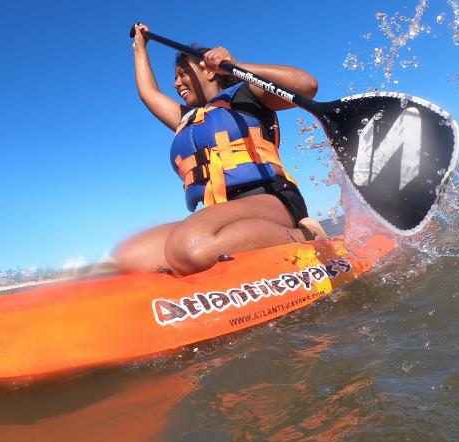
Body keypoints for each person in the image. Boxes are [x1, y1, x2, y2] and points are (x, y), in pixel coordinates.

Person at [114, 23, 327, 276]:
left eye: (183, 74)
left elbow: (307, 86)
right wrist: (140, 46)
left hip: (271, 198)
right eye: (174, 78)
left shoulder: (248, 95)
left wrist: (237, 65)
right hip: (220, 211)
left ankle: (305, 234)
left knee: (187, 248)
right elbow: (148, 93)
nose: (176, 83)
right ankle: (207, 258)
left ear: (210, 72)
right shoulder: (184, 118)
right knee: (131, 257)